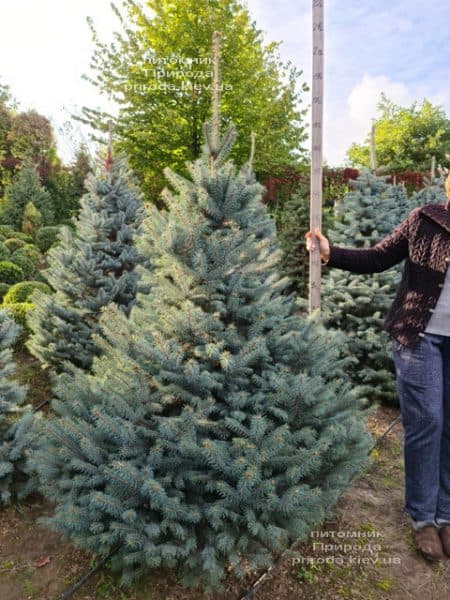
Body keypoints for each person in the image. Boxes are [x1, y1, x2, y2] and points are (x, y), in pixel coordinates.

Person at [304, 177, 450, 563]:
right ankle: (423, 519)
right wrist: (329, 252)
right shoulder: (424, 221)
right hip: (419, 338)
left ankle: (447, 514)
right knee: (428, 422)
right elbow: (378, 257)